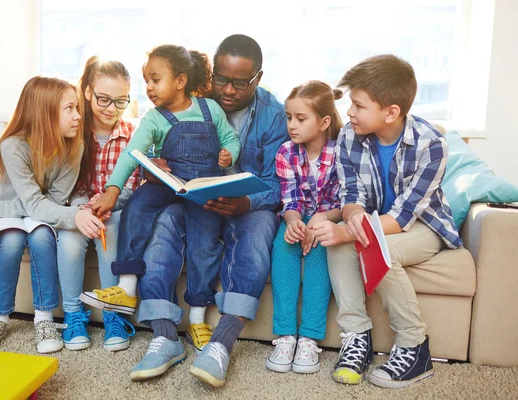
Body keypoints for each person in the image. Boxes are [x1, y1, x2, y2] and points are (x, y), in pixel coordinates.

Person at [128, 34, 288, 387]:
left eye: (240, 83)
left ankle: (221, 343)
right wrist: (153, 167)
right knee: (164, 224)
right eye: (221, 79)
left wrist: (247, 202)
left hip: (246, 207)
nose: (228, 90)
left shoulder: (275, 115)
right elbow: (148, 146)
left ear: (257, 79)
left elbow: (280, 182)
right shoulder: (189, 103)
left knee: (261, 229)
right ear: (211, 72)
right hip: (192, 200)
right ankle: (165, 336)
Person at [314, 54, 462, 388]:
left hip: (424, 226)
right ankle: (357, 338)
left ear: (391, 111)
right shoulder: (350, 137)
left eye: (358, 105)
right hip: (375, 220)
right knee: (339, 248)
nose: (349, 113)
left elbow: (406, 214)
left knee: (383, 252)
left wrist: (350, 230)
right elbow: (350, 194)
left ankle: (414, 346)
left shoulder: (431, 143)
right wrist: (350, 220)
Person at [80, 45, 240, 340]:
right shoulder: (155, 118)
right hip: (169, 184)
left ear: (180, 81)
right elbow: (132, 153)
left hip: (203, 191)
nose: (149, 88)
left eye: (155, 79)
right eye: (147, 81)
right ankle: (126, 287)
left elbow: (230, 138)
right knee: (137, 206)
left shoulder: (210, 109)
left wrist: (229, 153)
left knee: (204, 244)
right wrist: (113, 191)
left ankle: (198, 317)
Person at [0, 76, 104, 354]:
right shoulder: (13, 146)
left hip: (40, 212)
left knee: (42, 238)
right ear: (45, 113)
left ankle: (44, 319)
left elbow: (50, 202)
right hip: (17, 213)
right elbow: (32, 202)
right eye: (69, 109)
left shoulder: (73, 146)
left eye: (76, 107)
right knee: (12, 241)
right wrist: (3, 210)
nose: (78, 116)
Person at [57, 56, 138, 352]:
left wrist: (110, 204)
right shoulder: (75, 131)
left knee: (112, 236)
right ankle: (73, 314)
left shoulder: (133, 135)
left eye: (120, 102)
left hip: (117, 210)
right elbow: (69, 181)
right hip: (81, 209)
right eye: (104, 99)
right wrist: (83, 207)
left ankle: (112, 315)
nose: (111, 109)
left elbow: (134, 184)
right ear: (88, 92)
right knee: (68, 239)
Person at [265, 80, 343, 374]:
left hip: (331, 219)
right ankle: (285, 335)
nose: (292, 125)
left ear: (324, 122)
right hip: (301, 217)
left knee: (321, 249)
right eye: (289, 117)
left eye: (300, 118)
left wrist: (320, 221)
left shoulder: (340, 153)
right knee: (283, 246)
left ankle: (309, 337)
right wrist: (294, 221)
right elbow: (290, 198)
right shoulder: (286, 153)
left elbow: (346, 203)